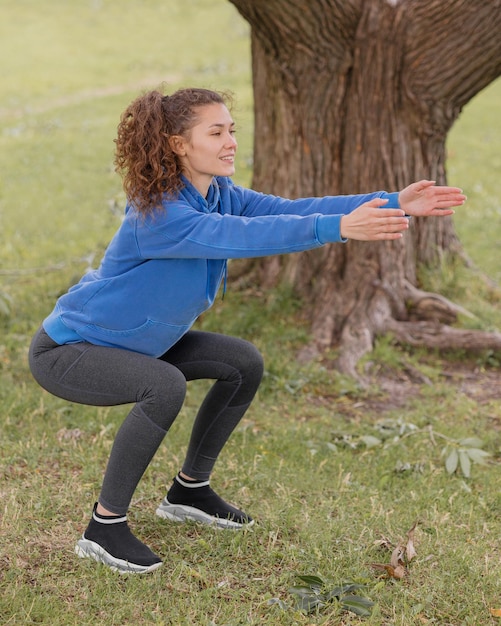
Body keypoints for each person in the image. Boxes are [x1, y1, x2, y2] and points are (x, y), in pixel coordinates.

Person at [28, 87, 466, 574]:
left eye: (231, 129)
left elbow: (286, 210)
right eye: (215, 132)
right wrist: (340, 227)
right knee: (163, 385)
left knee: (241, 363)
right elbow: (243, 237)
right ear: (178, 144)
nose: (230, 140)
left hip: (142, 343)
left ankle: (189, 492)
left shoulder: (218, 194)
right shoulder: (161, 215)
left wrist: (391, 201)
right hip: (71, 350)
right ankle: (103, 528)